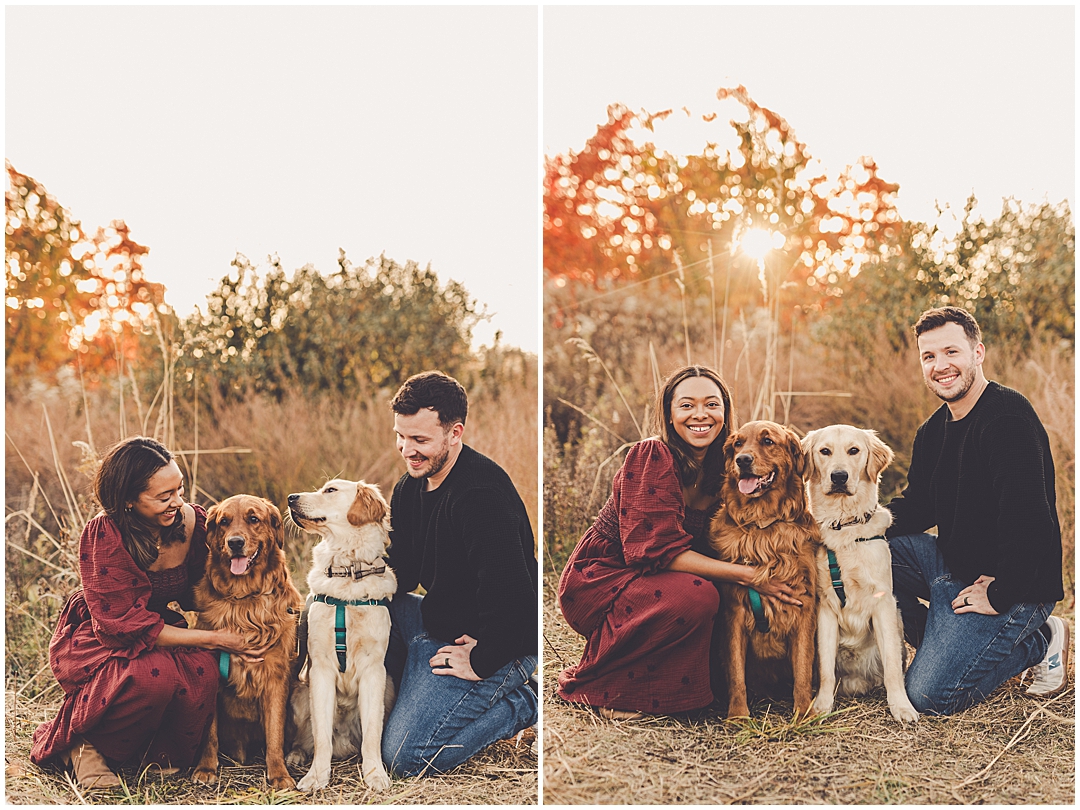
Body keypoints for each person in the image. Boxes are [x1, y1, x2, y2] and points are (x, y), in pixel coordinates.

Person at [556, 365, 804, 720]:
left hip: (666, 578)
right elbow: (653, 551)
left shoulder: (730, 461)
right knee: (700, 594)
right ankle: (606, 690)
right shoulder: (652, 455)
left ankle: (687, 693)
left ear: (725, 412)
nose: (700, 414)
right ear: (670, 415)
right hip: (605, 576)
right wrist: (749, 575)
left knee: (713, 598)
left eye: (712, 405)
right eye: (686, 405)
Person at [31, 436, 267, 788]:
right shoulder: (106, 533)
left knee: (203, 670)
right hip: (107, 630)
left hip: (160, 626)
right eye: (163, 497)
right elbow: (125, 626)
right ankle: (84, 746)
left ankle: (155, 752)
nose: (178, 502)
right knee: (148, 677)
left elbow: (209, 589)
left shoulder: (194, 523)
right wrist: (216, 638)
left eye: (180, 489)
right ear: (128, 500)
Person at [886, 306, 1067, 715]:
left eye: (952, 352)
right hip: (952, 565)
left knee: (929, 696)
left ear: (978, 352)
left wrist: (1002, 594)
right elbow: (916, 508)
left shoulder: (1007, 418)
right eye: (929, 357)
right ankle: (947, 637)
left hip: (1015, 583)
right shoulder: (932, 431)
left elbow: (1031, 522)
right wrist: (853, 527)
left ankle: (1042, 640)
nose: (940, 366)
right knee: (866, 553)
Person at [382, 371, 538, 777]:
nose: (406, 450)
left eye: (419, 440)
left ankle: (524, 702)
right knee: (326, 606)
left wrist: (484, 659)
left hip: (498, 640)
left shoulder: (480, 496)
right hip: (434, 623)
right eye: (401, 435)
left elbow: (515, 595)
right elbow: (404, 570)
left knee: (406, 756)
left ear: (455, 433)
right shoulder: (409, 488)